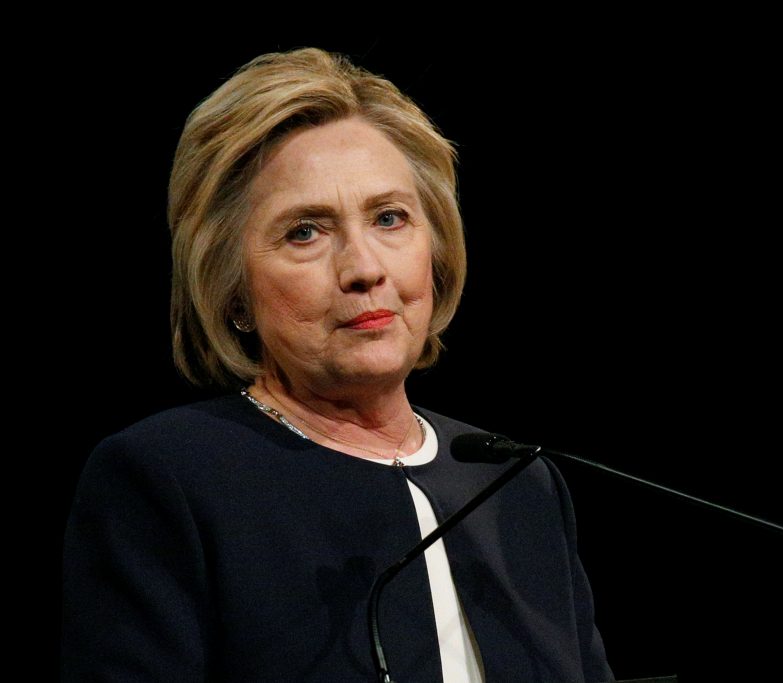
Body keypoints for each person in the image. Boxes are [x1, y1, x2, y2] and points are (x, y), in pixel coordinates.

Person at [60, 47, 614, 683]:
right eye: (305, 232)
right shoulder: (171, 479)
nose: (364, 269)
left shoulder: (517, 483)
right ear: (231, 286)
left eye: (389, 218)